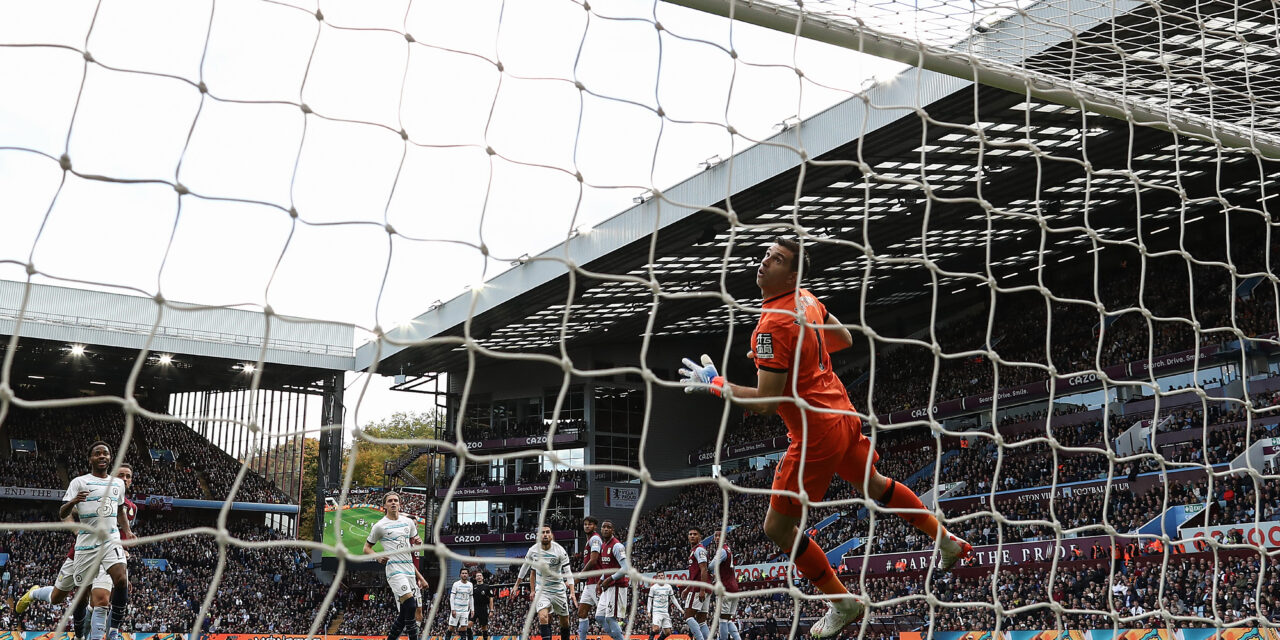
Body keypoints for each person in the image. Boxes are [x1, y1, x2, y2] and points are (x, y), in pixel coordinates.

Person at [678, 236, 972, 637]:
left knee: (777, 529)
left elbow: (765, 403)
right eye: (766, 255)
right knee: (875, 485)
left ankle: (843, 602)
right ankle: (946, 539)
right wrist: (795, 356)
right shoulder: (806, 299)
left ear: (793, 272)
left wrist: (716, 385)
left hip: (815, 431)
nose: (764, 262)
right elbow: (843, 339)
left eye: (776, 259)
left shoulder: (771, 324)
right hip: (841, 410)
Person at [19, 464, 137, 639]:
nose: (124, 479)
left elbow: (122, 535)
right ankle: (35, 593)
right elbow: (67, 512)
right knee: (57, 597)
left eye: (128, 476)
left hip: (108, 554)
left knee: (101, 600)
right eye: (120, 475)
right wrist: (76, 530)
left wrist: (125, 555)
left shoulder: (131, 508)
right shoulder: (95, 494)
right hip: (82, 552)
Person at [59, 442, 134, 640]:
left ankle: (114, 629)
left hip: (111, 541)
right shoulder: (79, 482)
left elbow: (119, 510)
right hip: (86, 545)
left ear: (110, 458)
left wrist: (127, 530)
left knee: (121, 579)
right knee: (82, 596)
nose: (102, 456)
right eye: (97, 454)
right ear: (90, 458)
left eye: (106, 454)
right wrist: (74, 502)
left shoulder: (117, 484)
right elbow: (62, 512)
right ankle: (79, 635)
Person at [363, 492, 429, 640]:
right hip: (394, 570)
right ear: (385, 505)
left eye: (396, 500)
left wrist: (419, 542)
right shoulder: (380, 526)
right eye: (390, 501)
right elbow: (366, 548)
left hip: (409, 569)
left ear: (400, 504)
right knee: (411, 606)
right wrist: (378, 557)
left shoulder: (408, 522)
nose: (393, 503)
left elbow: (415, 542)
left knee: (406, 611)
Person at [518, 525, 574, 640]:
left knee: (564, 621)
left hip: (558, 589)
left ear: (551, 535)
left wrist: (572, 592)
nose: (545, 534)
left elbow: (568, 572)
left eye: (547, 532)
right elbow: (526, 569)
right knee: (543, 617)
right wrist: (517, 585)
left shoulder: (560, 551)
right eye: (542, 532)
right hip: (542, 590)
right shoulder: (533, 551)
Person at [594, 520, 631, 640]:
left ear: (612, 530)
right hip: (608, 586)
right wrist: (600, 581)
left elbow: (625, 568)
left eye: (608, 527)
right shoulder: (603, 546)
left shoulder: (617, 546)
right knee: (599, 617)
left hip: (616, 586)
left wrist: (610, 578)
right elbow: (607, 568)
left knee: (610, 618)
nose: (605, 529)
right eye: (603, 527)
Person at [709, 531, 742, 640]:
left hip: (725, 589)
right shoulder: (728, 550)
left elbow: (711, 566)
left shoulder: (722, 551)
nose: (717, 538)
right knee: (728, 620)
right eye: (716, 536)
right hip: (734, 588)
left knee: (722, 620)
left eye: (720, 535)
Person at [680, 527, 712, 640]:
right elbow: (697, 574)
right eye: (690, 534)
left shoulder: (699, 550)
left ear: (700, 537)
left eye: (695, 534)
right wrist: (687, 589)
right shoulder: (696, 550)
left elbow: (704, 570)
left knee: (688, 616)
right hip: (704, 587)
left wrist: (702, 590)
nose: (692, 536)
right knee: (701, 621)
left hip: (699, 588)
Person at [577, 516, 603, 640]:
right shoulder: (589, 541)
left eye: (590, 524)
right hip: (589, 583)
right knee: (581, 613)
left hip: (597, 582)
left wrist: (579, 576)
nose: (587, 526)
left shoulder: (595, 539)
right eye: (585, 524)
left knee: (605, 617)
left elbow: (593, 561)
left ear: (595, 526)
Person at [447, 568, 475, 640]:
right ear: (460, 575)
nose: (464, 575)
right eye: (463, 573)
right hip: (456, 610)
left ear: (468, 575)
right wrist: (453, 609)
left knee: (464, 628)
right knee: (451, 627)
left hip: (465, 610)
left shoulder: (470, 585)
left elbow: (471, 597)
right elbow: (452, 597)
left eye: (466, 573)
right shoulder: (456, 584)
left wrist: (472, 609)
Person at [472, 571, 493, 640]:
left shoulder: (487, 586)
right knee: (469, 624)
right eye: (477, 576)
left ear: (482, 577)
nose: (479, 577)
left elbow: (491, 598)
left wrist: (491, 610)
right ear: (475, 578)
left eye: (480, 575)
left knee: (484, 627)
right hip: (474, 609)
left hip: (483, 608)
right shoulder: (473, 587)